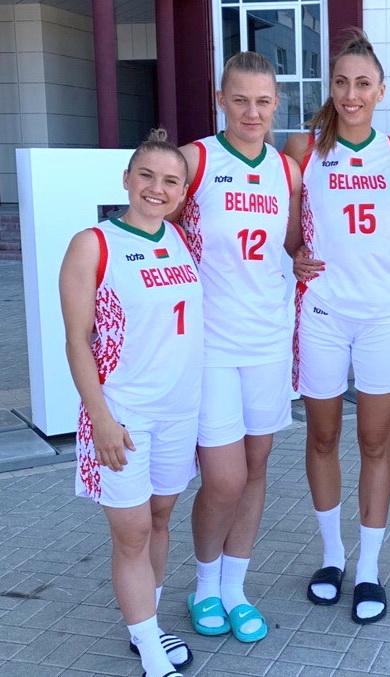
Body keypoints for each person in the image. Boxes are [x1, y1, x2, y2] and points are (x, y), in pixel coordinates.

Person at [60, 129, 202, 677]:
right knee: (133, 531)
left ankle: (147, 626)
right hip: (123, 414)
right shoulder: (93, 244)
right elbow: (78, 341)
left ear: (183, 192)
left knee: (160, 519)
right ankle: (150, 652)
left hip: (178, 412)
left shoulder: (181, 238)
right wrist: (101, 419)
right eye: (146, 175)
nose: (156, 188)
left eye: (170, 181)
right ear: (126, 179)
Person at [175, 52, 302, 643]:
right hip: (211, 344)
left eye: (263, 101)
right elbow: (153, 224)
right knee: (223, 478)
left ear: (276, 104)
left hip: (269, 340)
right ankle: (204, 586)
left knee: (255, 469)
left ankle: (235, 588)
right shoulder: (195, 160)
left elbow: (292, 243)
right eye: (241, 100)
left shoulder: (286, 170)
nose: (252, 112)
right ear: (220, 100)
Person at [283, 31, 390, 625]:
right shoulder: (303, 148)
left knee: (376, 441)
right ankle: (333, 556)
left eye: (363, 84)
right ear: (329, 87)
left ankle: (369, 568)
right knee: (323, 437)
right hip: (324, 312)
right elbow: (288, 228)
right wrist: (295, 252)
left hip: (383, 312)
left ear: (381, 90)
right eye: (341, 82)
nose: (351, 94)